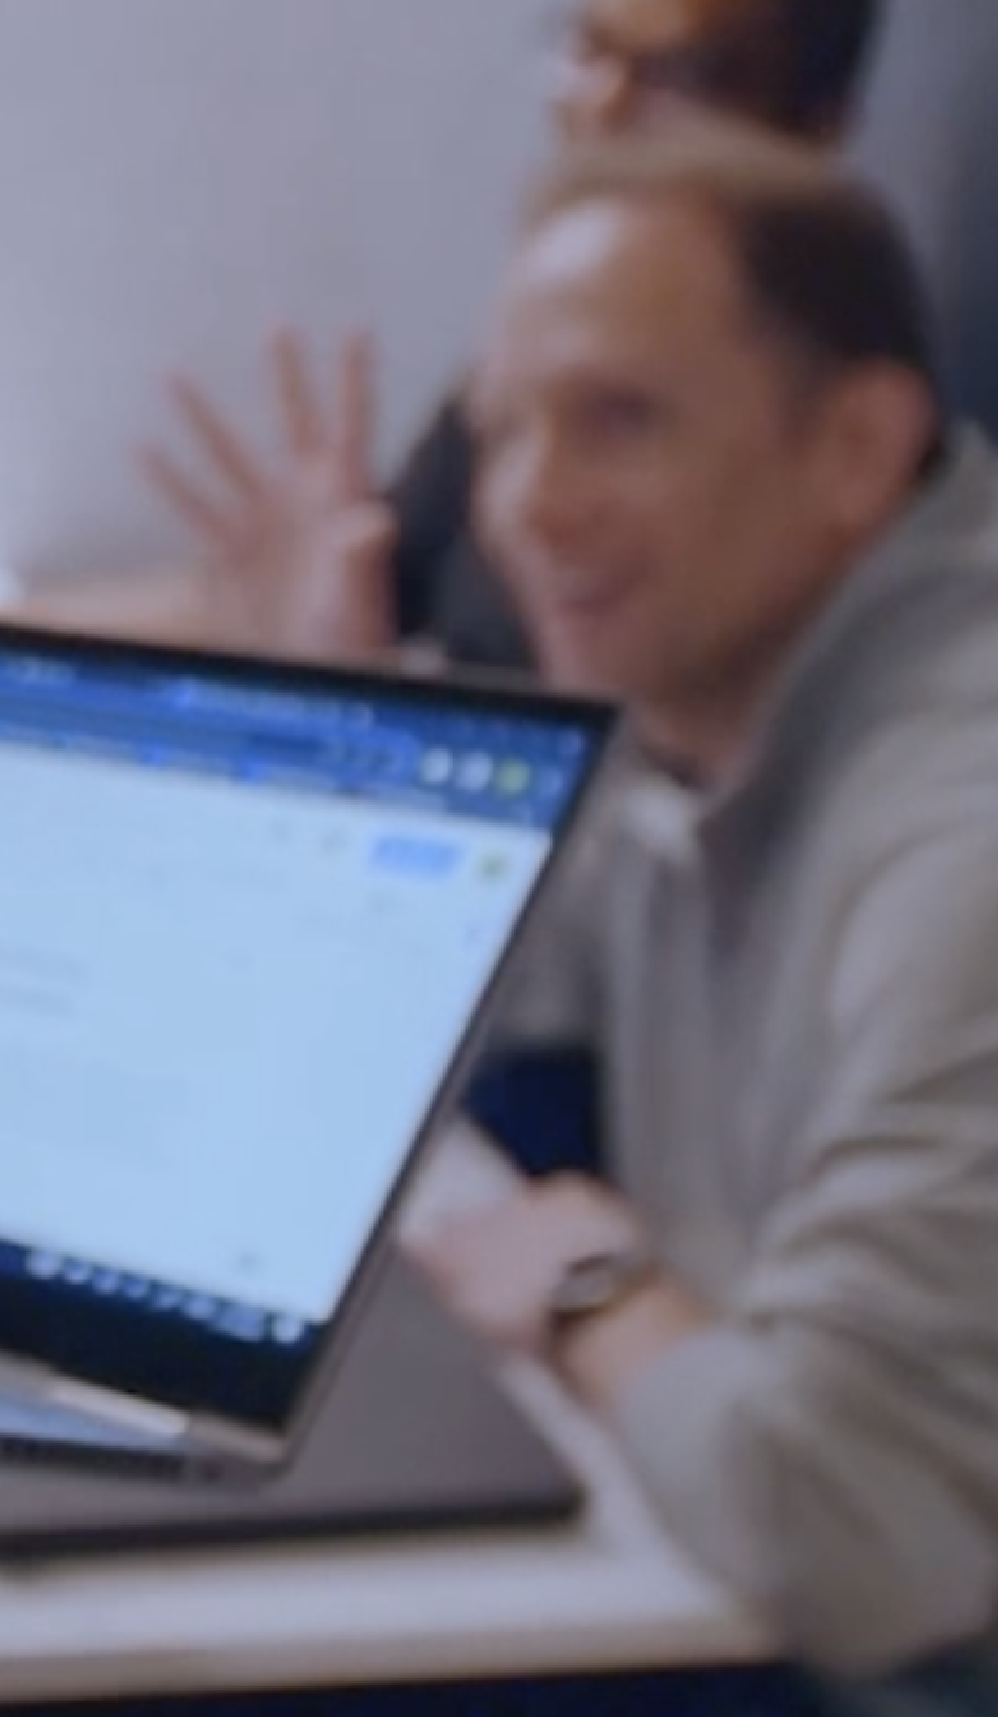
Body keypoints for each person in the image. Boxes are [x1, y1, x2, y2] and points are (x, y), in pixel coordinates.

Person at [399, 129, 998, 1711]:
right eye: (498, 433)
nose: (525, 506)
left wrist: (593, 1281)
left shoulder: (960, 831)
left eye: (616, 420)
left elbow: (844, 1524)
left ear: (857, 444)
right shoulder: (710, 702)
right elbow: (475, 1001)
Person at [49, 0, 888, 669]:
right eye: (591, 51)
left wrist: (357, 703)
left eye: (676, 76)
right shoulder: (548, 356)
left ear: (819, 123)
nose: (602, 107)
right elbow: (337, 604)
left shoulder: (804, 457)